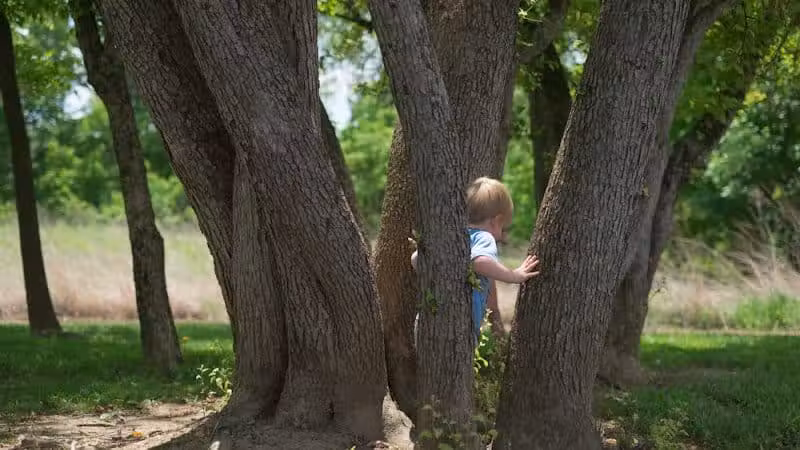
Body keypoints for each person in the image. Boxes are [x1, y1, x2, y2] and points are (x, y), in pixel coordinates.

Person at [411, 176, 540, 344]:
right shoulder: (484, 237)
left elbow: (415, 259)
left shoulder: (453, 235)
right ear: (496, 221)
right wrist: (514, 276)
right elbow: (479, 262)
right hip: (458, 328)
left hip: (426, 319)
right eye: (503, 228)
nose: (503, 235)